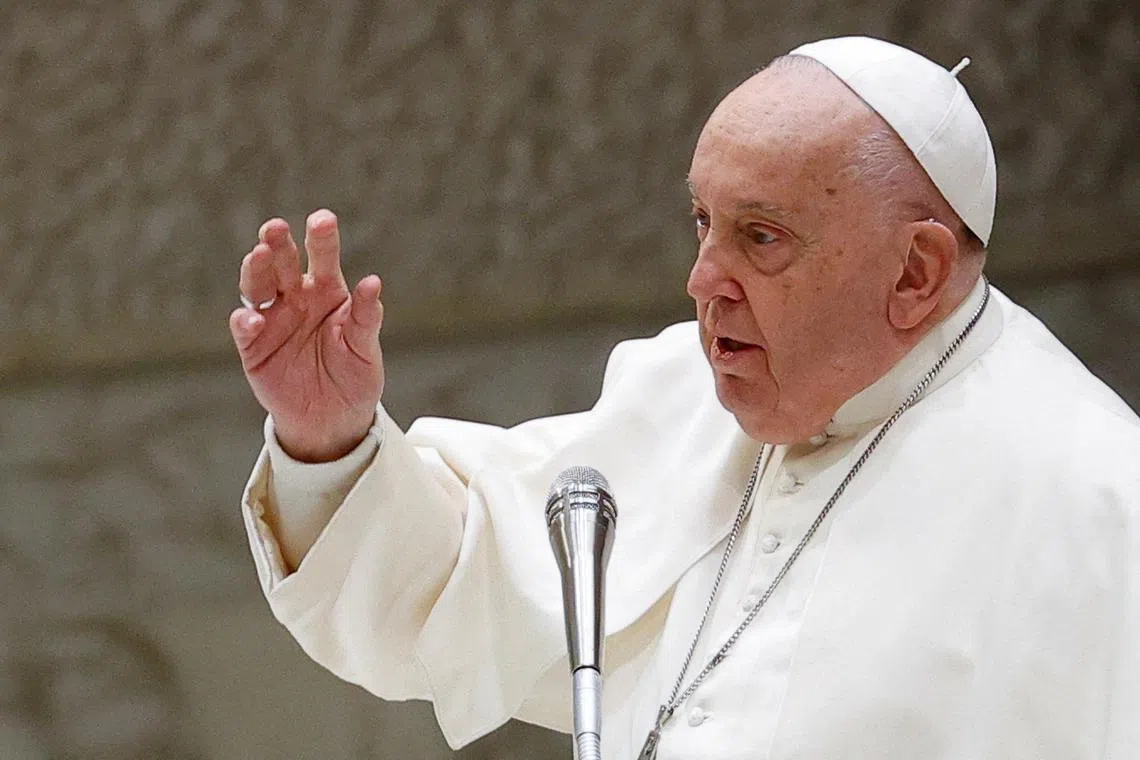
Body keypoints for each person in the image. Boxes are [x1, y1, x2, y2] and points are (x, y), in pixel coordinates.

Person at [230, 36, 1140, 759]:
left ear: (916, 271)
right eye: (704, 222)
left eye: (762, 237)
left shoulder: (1099, 500)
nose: (703, 279)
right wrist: (331, 437)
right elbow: (458, 585)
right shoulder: (685, 391)